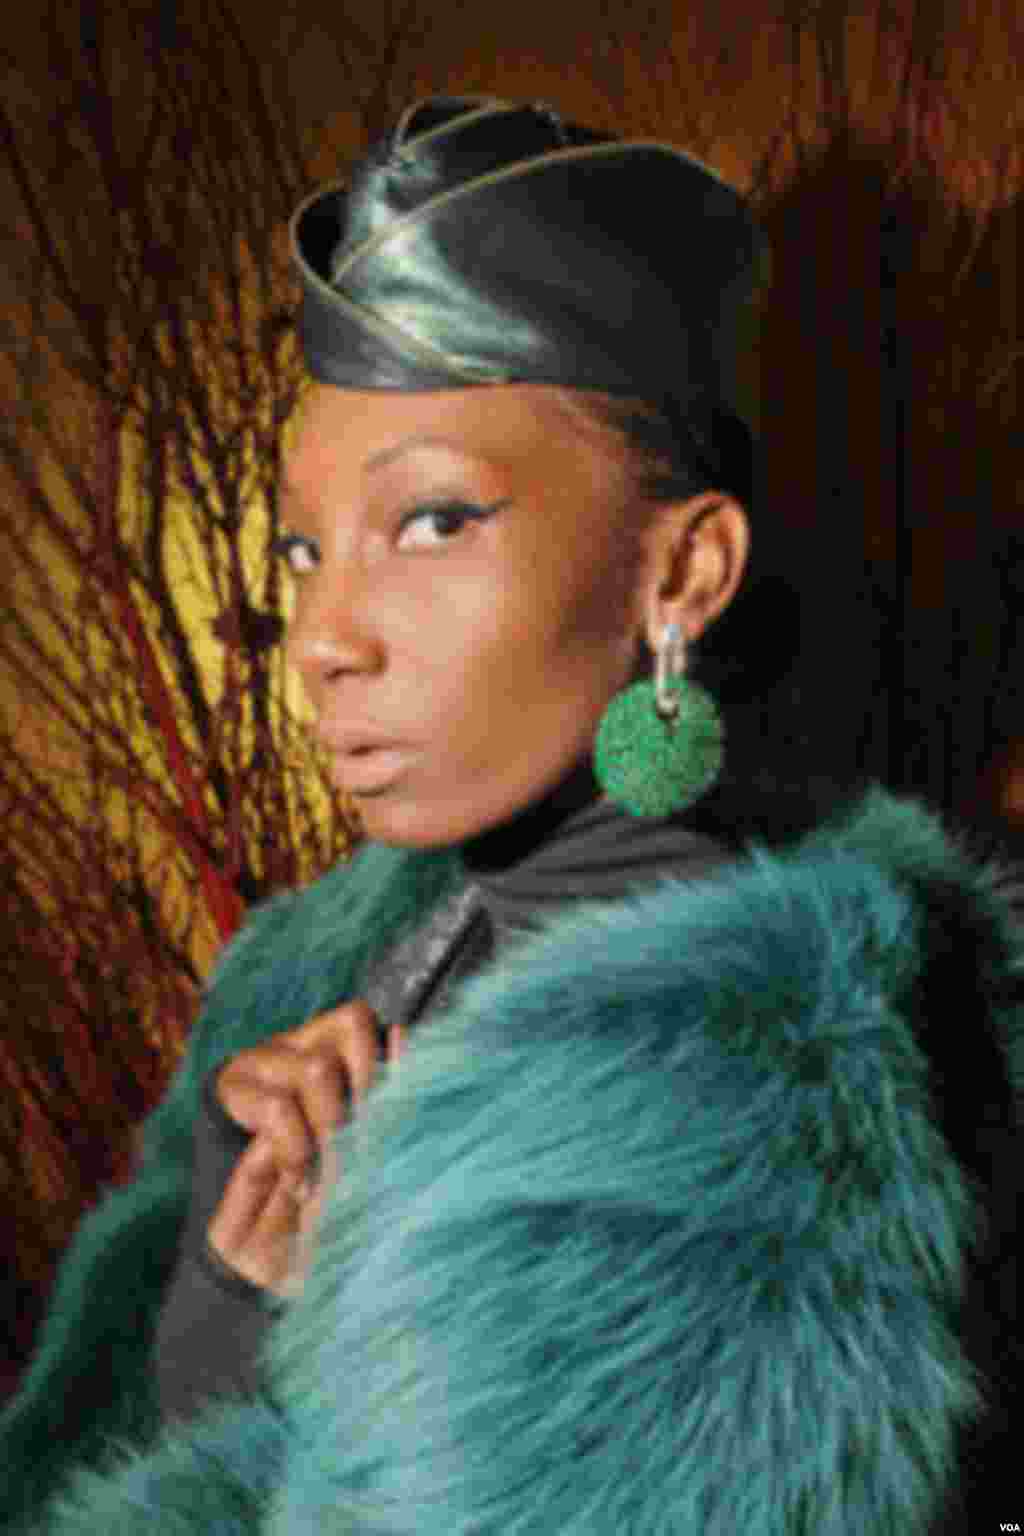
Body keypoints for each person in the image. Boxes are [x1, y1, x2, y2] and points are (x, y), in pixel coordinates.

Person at [1, 95, 1020, 1534]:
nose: (321, 633)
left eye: (432, 521)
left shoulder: (741, 1095)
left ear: (681, 574)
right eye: (304, 546)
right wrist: (232, 1315)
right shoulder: (316, 985)